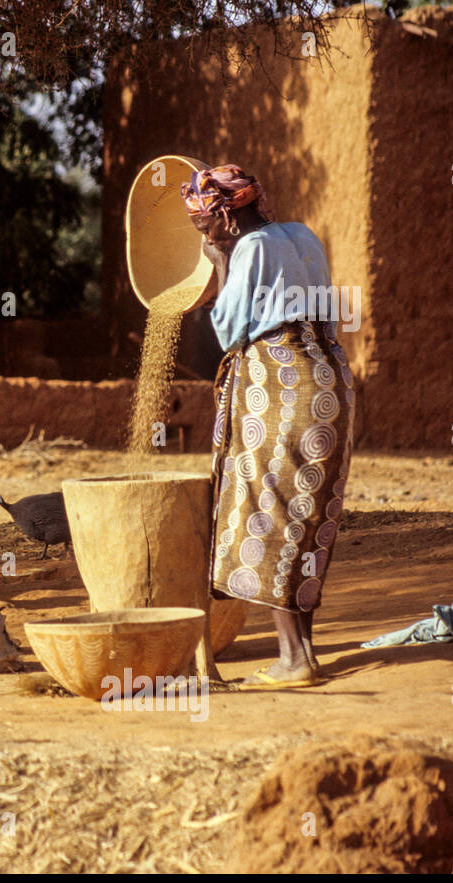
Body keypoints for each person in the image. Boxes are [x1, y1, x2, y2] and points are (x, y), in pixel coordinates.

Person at [180, 165, 354, 688]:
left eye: (204, 228)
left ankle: (294, 659)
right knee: (307, 512)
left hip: (280, 380)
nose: (204, 238)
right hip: (329, 377)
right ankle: (303, 651)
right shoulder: (303, 235)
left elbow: (231, 329)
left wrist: (222, 264)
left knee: (269, 509)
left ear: (225, 218)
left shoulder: (247, 249)